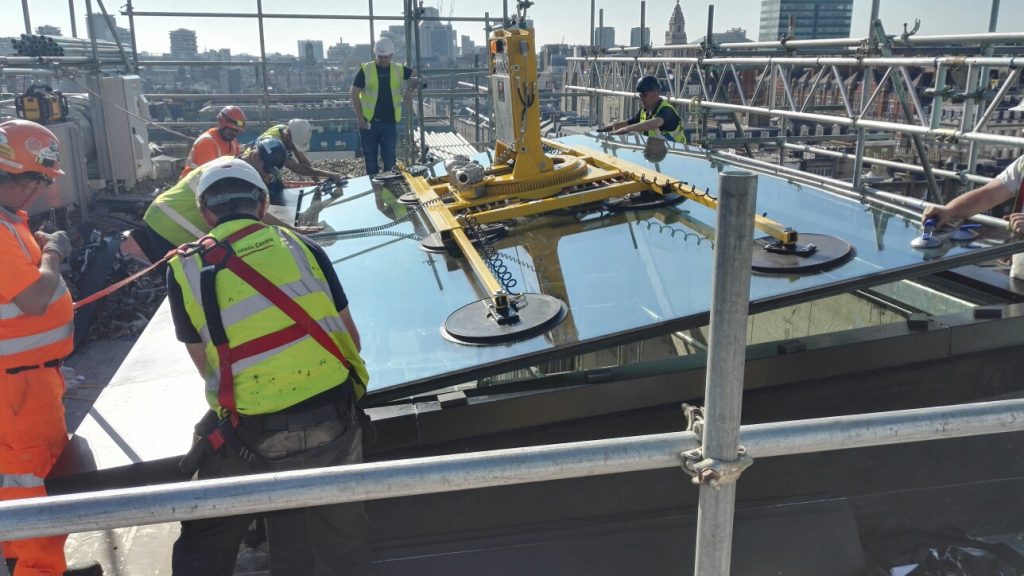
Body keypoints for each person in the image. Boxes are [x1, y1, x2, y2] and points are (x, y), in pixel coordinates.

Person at [165, 158, 371, 576]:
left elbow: (206, 366)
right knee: (342, 524)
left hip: (251, 427)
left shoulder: (184, 268)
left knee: (207, 531)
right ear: (261, 205)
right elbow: (352, 338)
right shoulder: (304, 247)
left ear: (205, 213)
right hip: (332, 410)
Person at [0, 119, 102, 576]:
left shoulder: (12, 222)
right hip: (18, 391)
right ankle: (35, 571)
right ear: (16, 176)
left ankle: (44, 567)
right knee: (31, 491)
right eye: (40, 180)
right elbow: (36, 299)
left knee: (43, 483)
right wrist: (54, 253)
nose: (42, 191)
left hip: (33, 381)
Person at [128, 138, 296, 264]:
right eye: (267, 169)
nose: (267, 175)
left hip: (167, 217)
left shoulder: (237, 169)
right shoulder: (230, 171)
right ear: (255, 156)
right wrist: (291, 232)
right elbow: (254, 216)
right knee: (185, 279)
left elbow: (256, 214)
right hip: (168, 223)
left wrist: (291, 230)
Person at [350, 37, 417, 175]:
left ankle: (390, 188)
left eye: (386, 57)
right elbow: (354, 93)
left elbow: (415, 75)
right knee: (370, 160)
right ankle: (375, 189)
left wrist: (410, 91)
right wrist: (359, 118)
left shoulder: (398, 70)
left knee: (390, 160)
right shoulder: (366, 69)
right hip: (369, 122)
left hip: (389, 122)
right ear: (376, 55)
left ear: (391, 56)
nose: (383, 60)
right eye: (380, 57)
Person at [253, 119, 345, 204]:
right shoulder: (275, 146)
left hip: (266, 168)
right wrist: (329, 174)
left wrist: (319, 182)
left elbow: (303, 161)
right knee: (277, 196)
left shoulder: (285, 131)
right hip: (257, 174)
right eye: (294, 146)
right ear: (288, 136)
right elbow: (299, 169)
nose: (294, 149)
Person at [595, 75, 687, 143]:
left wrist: (626, 129)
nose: (641, 99)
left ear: (655, 93)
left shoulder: (667, 110)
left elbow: (655, 123)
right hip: (658, 153)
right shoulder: (644, 111)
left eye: (644, 95)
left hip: (675, 154)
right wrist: (607, 128)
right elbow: (627, 123)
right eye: (640, 96)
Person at [180, 105, 247, 179]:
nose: (234, 133)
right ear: (221, 122)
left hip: (207, 186)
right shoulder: (206, 142)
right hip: (190, 187)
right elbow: (211, 176)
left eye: (236, 131)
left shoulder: (233, 142)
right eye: (231, 129)